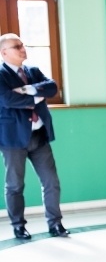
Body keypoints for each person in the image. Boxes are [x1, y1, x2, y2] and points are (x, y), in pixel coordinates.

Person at [0, 34, 70, 239]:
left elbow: (52, 87)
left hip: (39, 135)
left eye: (22, 45)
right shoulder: (1, 75)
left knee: (51, 182)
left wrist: (27, 90)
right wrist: (34, 99)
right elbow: (6, 99)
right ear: (4, 52)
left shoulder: (33, 71)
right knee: (14, 185)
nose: (23, 48)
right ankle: (18, 226)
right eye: (17, 46)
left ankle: (55, 224)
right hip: (13, 139)